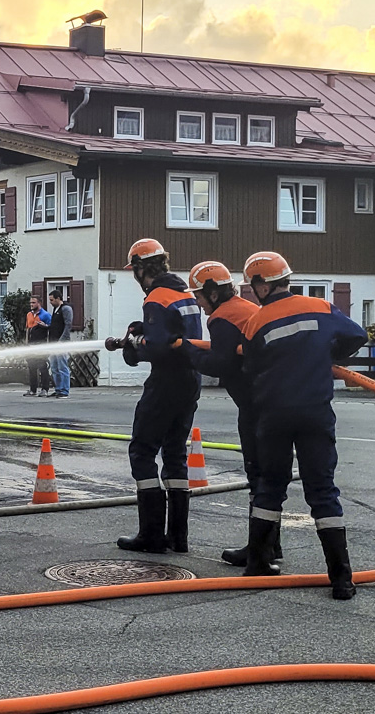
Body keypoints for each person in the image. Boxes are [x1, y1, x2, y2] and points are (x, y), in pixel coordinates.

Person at [240, 251, 368, 598]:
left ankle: (257, 564)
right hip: (314, 412)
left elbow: (249, 368)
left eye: (254, 286)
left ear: (261, 284)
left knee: (270, 486)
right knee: (322, 490)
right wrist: (324, 354)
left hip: (274, 415)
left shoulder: (256, 322)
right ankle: (341, 579)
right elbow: (358, 336)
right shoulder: (322, 308)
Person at [104, 239, 202, 554]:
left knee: (142, 452)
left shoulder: (157, 298)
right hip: (190, 380)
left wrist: (134, 347)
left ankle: (151, 535)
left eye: (134, 268)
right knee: (174, 455)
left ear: (141, 268)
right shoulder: (185, 292)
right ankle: (178, 537)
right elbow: (173, 335)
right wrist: (140, 332)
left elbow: (158, 346)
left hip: (166, 381)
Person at [178, 262, 275, 567]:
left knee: (257, 475)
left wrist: (186, 350)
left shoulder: (223, 317)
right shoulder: (245, 307)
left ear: (212, 292)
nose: (197, 302)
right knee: (269, 476)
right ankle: (271, 545)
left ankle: (259, 551)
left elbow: (219, 364)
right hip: (270, 398)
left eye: (199, 295)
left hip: (255, 405)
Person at [23, 296, 52, 396]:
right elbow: (28, 329)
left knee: (42, 367)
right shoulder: (29, 315)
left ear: (39, 303)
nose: (31, 304)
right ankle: (32, 389)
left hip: (41, 345)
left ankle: (45, 389)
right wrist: (26, 344)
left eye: (34, 303)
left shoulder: (45, 315)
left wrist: (45, 326)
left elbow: (51, 329)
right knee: (31, 367)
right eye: (31, 303)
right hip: (31, 345)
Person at [47, 289, 74, 397]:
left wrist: (62, 340)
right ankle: (58, 388)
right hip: (53, 342)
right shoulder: (55, 309)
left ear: (58, 298)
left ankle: (64, 390)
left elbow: (68, 325)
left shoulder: (66, 308)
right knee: (54, 367)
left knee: (62, 366)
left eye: (52, 300)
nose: (50, 302)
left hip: (61, 343)